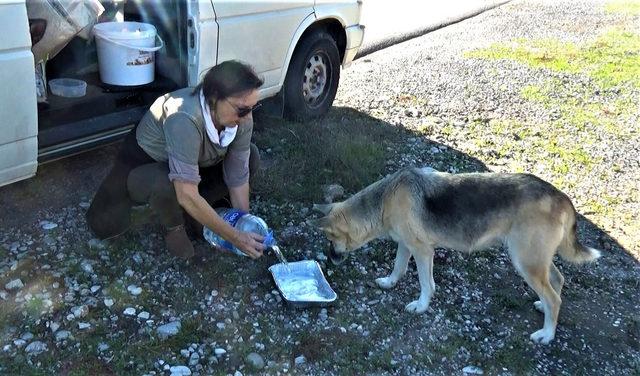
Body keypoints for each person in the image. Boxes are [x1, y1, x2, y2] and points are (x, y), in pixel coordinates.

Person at [87, 60, 266, 259]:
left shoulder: (243, 119)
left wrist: (243, 224)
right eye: (241, 110)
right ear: (214, 99)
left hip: (192, 167)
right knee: (163, 185)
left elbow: (237, 176)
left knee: (252, 156)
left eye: (253, 107)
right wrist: (234, 237)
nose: (247, 116)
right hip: (143, 168)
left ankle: (198, 214)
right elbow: (186, 193)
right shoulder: (184, 118)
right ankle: (175, 228)